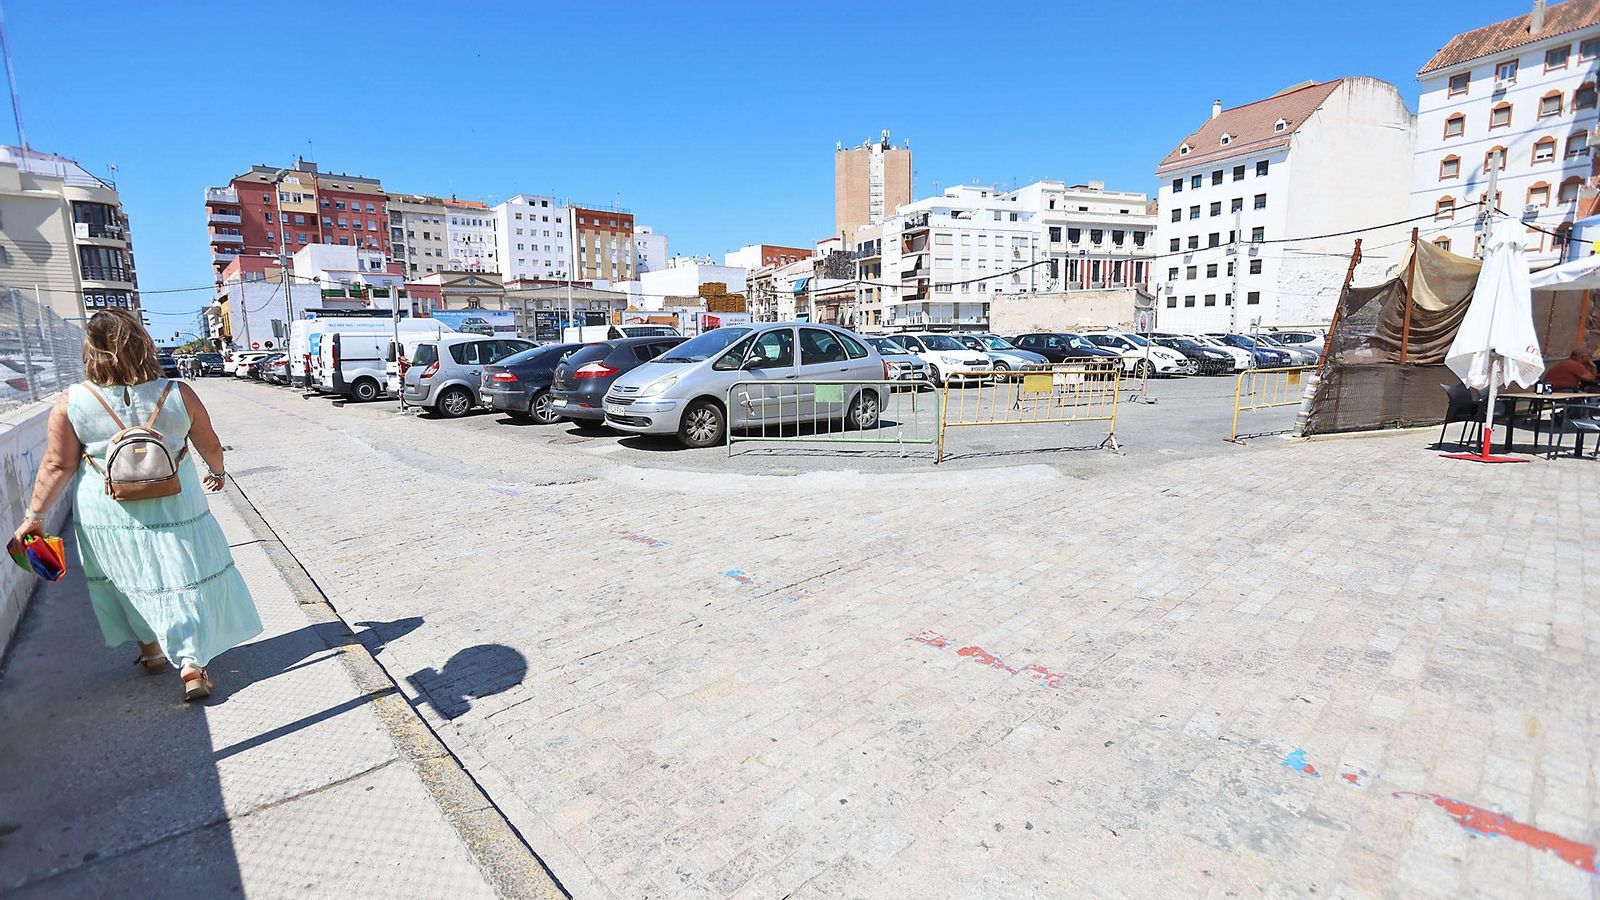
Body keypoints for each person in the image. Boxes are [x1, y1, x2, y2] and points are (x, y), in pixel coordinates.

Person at [12, 309, 261, 701]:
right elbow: (210, 444)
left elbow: (58, 465)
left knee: (128, 576)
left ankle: (152, 653)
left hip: (107, 509)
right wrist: (218, 472)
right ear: (143, 345)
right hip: (177, 504)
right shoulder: (177, 393)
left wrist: (35, 516)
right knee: (182, 573)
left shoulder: (72, 401)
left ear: (90, 351)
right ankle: (192, 663)